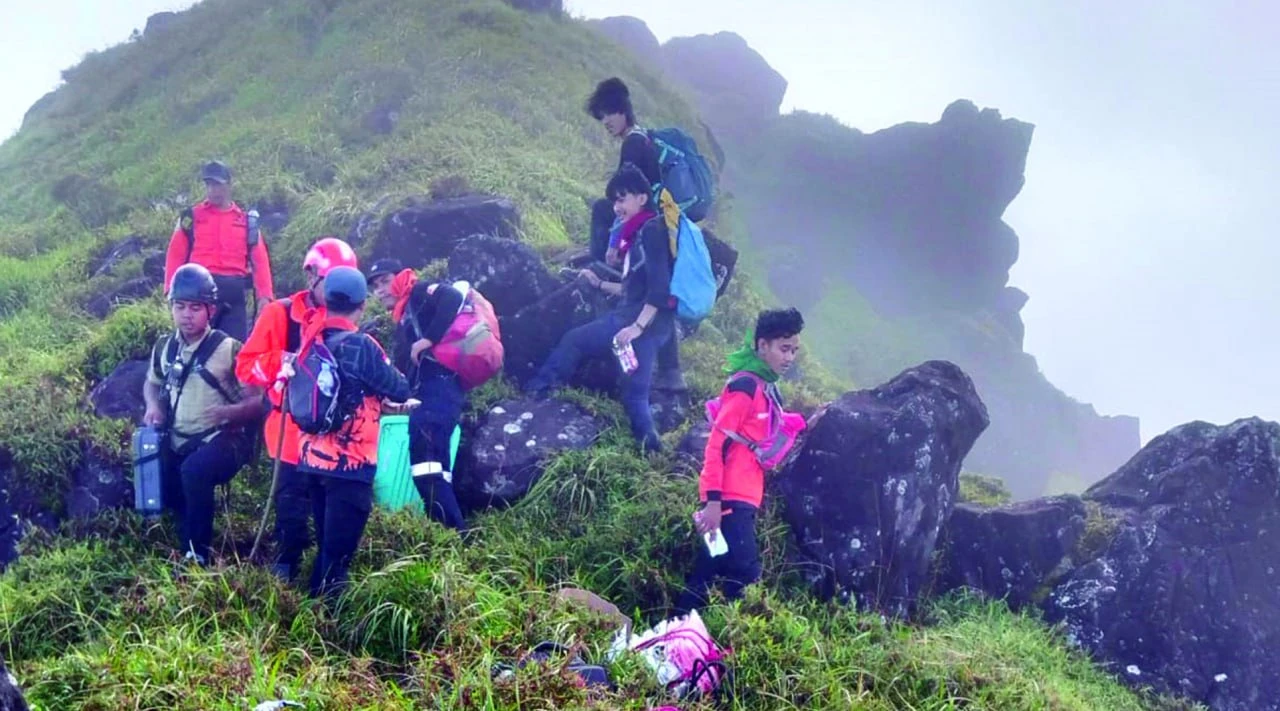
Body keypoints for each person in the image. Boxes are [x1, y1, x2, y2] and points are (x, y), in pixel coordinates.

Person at [525, 166, 675, 453]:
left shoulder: (651, 231)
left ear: (642, 198)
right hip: (649, 324)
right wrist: (600, 283)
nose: (617, 207)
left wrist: (635, 328)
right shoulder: (638, 233)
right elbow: (633, 288)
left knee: (574, 341)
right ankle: (653, 454)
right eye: (615, 201)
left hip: (638, 323)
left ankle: (537, 393)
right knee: (634, 396)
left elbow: (660, 290)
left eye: (623, 199)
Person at [235, 237, 358, 582]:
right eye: (332, 282)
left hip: (331, 435)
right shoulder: (281, 314)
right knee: (290, 503)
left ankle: (327, 574)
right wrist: (281, 362)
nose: (338, 292)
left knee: (328, 508)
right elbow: (245, 366)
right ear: (312, 279)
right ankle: (287, 564)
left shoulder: (345, 321)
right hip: (288, 429)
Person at [675, 307, 805, 613]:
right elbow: (716, 444)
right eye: (784, 349)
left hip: (744, 495)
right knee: (746, 575)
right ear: (762, 346)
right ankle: (732, 646)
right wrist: (713, 503)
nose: (789, 358)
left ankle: (675, 639)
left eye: (794, 351)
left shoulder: (764, 387)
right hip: (731, 499)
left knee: (707, 575)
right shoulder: (745, 387)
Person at [296, 266, 411, 601]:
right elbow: (399, 387)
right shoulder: (362, 345)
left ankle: (306, 616)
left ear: (326, 300)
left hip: (311, 461)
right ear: (361, 306)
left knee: (327, 548)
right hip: (349, 465)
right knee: (338, 557)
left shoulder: (310, 339)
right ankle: (330, 636)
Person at [142, 264, 266, 565]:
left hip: (225, 440)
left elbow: (258, 401)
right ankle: (180, 542)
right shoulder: (164, 347)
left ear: (210, 309)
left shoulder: (228, 348)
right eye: (180, 306)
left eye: (195, 308)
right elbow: (152, 382)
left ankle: (198, 555)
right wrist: (153, 406)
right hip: (179, 437)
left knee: (194, 473)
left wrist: (228, 413)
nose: (187, 315)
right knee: (164, 479)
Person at [586, 77, 686, 393]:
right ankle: (671, 372)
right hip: (656, 222)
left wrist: (615, 245)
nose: (605, 123)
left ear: (622, 110)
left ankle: (601, 267)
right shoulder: (644, 138)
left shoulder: (633, 143)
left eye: (608, 114)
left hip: (648, 226)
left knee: (603, 208)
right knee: (659, 293)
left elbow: (625, 201)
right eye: (601, 117)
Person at [367, 258, 468, 531]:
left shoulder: (419, 292)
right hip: (438, 394)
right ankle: (452, 541)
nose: (380, 290)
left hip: (437, 393)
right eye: (375, 286)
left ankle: (458, 537)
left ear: (401, 277)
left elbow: (453, 296)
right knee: (437, 473)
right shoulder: (404, 314)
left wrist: (428, 339)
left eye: (385, 281)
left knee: (427, 471)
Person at [163, 160, 275, 341]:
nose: (212, 190)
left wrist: (265, 297)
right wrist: (171, 290)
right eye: (208, 185)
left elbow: (260, 262)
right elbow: (175, 254)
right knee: (195, 347)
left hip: (233, 295)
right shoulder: (191, 217)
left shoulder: (247, 222)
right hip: (197, 292)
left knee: (233, 351)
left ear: (229, 185)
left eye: (217, 184)